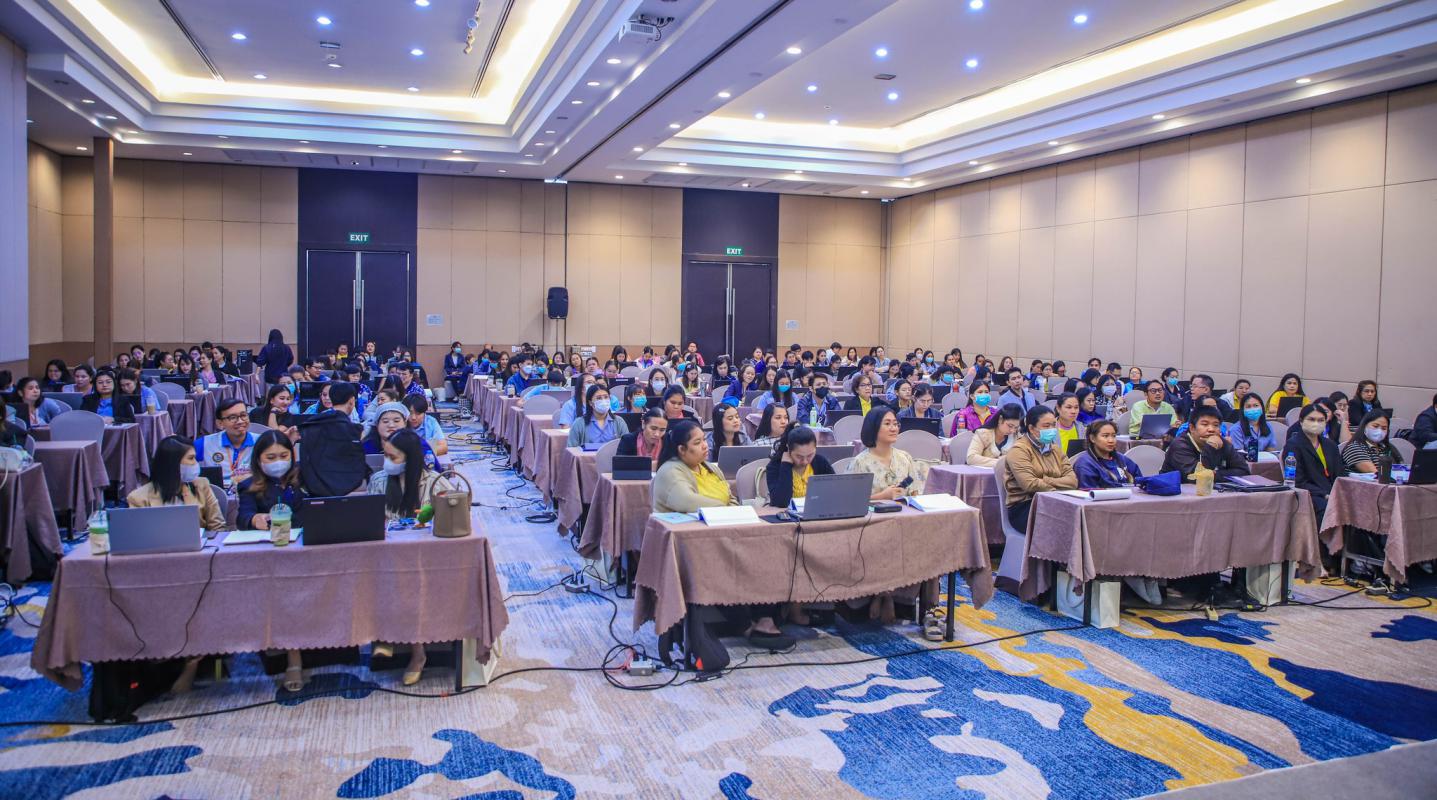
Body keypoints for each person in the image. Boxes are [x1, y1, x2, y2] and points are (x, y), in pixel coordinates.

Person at [366, 428, 453, 685]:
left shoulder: (435, 483)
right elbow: (369, 520)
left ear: (411, 458)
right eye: (386, 456)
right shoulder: (379, 481)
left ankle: (417, 653)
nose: (388, 462)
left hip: (426, 558)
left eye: (393, 457)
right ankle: (384, 635)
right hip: (387, 557)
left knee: (410, 582)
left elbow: (454, 517)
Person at [1002, 405, 1079, 534]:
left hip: (1056, 500)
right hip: (1025, 507)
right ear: (1032, 428)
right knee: (1066, 520)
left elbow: (1073, 481)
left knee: (1080, 516)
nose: (1051, 429)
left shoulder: (1055, 449)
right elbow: (1030, 484)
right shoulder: (1019, 450)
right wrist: (1059, 486)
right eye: (1046, 426)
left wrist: (1046, 480)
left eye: (1053, 425)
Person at [297, 382, 367, 497]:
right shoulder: (355, 431)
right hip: (346, 494)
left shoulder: (309, 425)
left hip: (312, 491)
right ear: (352, 400)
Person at [1282, 403, 1346, 519]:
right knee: (1327, 508)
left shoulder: (1330, 445)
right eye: (1311, 419)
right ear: (1301, 421)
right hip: (1310, 494)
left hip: (1333, 491)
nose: (1316, 423)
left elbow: (1340, 474)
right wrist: (1324, 494)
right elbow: (1298, 481)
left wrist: (1338, 493)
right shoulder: (1293, 445)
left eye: (1321, 420)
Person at [1161, 406, 1251, 483]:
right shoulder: (1180, 445)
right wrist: (1211, 447)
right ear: (1192, 428)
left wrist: (1215, 474)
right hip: (1176, 492)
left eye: (1216, 425)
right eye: (1205, 424)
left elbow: (1244, 471)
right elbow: (1196, 477)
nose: (1211, 429)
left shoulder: (1221, 442)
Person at [765, 424, 835, 509]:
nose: (805, 461)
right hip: (786, 514)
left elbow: (834, 491)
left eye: (810, 455)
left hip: (816, 511)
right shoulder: (775, 467)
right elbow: (781, 502)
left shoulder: (820, 462)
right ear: (788, 449)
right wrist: (786, 466)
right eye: (799, 457)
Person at [195, 398, 256, 487]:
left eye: (243, 415)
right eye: (233, 417)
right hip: (215, 493)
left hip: (251, 491)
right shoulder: (203, 444)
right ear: (220, 423)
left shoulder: (261, 442)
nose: (240, 421)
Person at [1072, 419, 1142, 489]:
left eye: (1113, 436)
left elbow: (1140, 483)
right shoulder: (1085, 464)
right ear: (1092, 438)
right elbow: (1090, 492)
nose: (1111, 440)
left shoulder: (1122, 458)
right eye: (1105, 436)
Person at [1342, 410, 1402, 474]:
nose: (1379, 431)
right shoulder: (1354, 448)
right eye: (1375, 426)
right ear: (1364, 426)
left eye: (1384, 428)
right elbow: (1376, 474)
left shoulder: (1387, 447)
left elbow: (1400, 470)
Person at [1228, 393, 1278, 458]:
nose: (1253, 409)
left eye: (1256, 405)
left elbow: (1271, 449)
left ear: (1262, 408)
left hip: (1265, 461)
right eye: (1248, 406)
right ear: (1243, 410)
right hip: (1244, 462)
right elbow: (1238, 455)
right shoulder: (1236, 429)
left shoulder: (1268, 426)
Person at [404, 395, 449, 459]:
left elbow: (443, 447)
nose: (413, 418)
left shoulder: (431, 422)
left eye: (418, 413)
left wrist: (419, 453)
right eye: (410, 413)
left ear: (425, 413)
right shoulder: (400, 422)